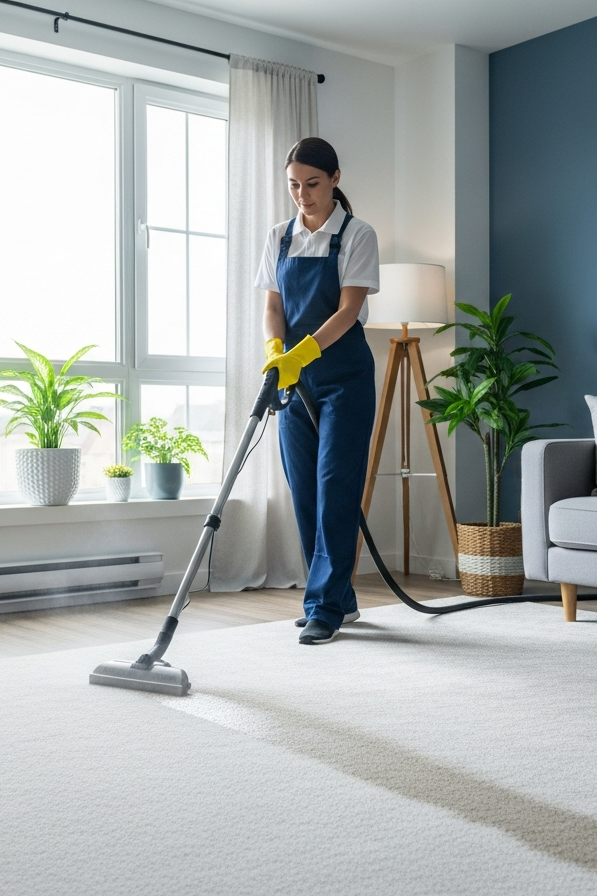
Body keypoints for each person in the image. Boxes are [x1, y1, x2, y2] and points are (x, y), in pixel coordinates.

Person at [256, 138, 380, 644]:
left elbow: (348, 310)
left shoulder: (356, 234)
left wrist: (300, 353)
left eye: (312, 184)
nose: (302, 195)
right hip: (293, 379)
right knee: (304, 490)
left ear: (334, 179)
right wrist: (275, 352)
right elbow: (273, 305)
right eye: (293, 185)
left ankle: (325, 607)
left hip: (344, 378)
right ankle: (336, 600)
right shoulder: (279, 236)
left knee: (335, 488)